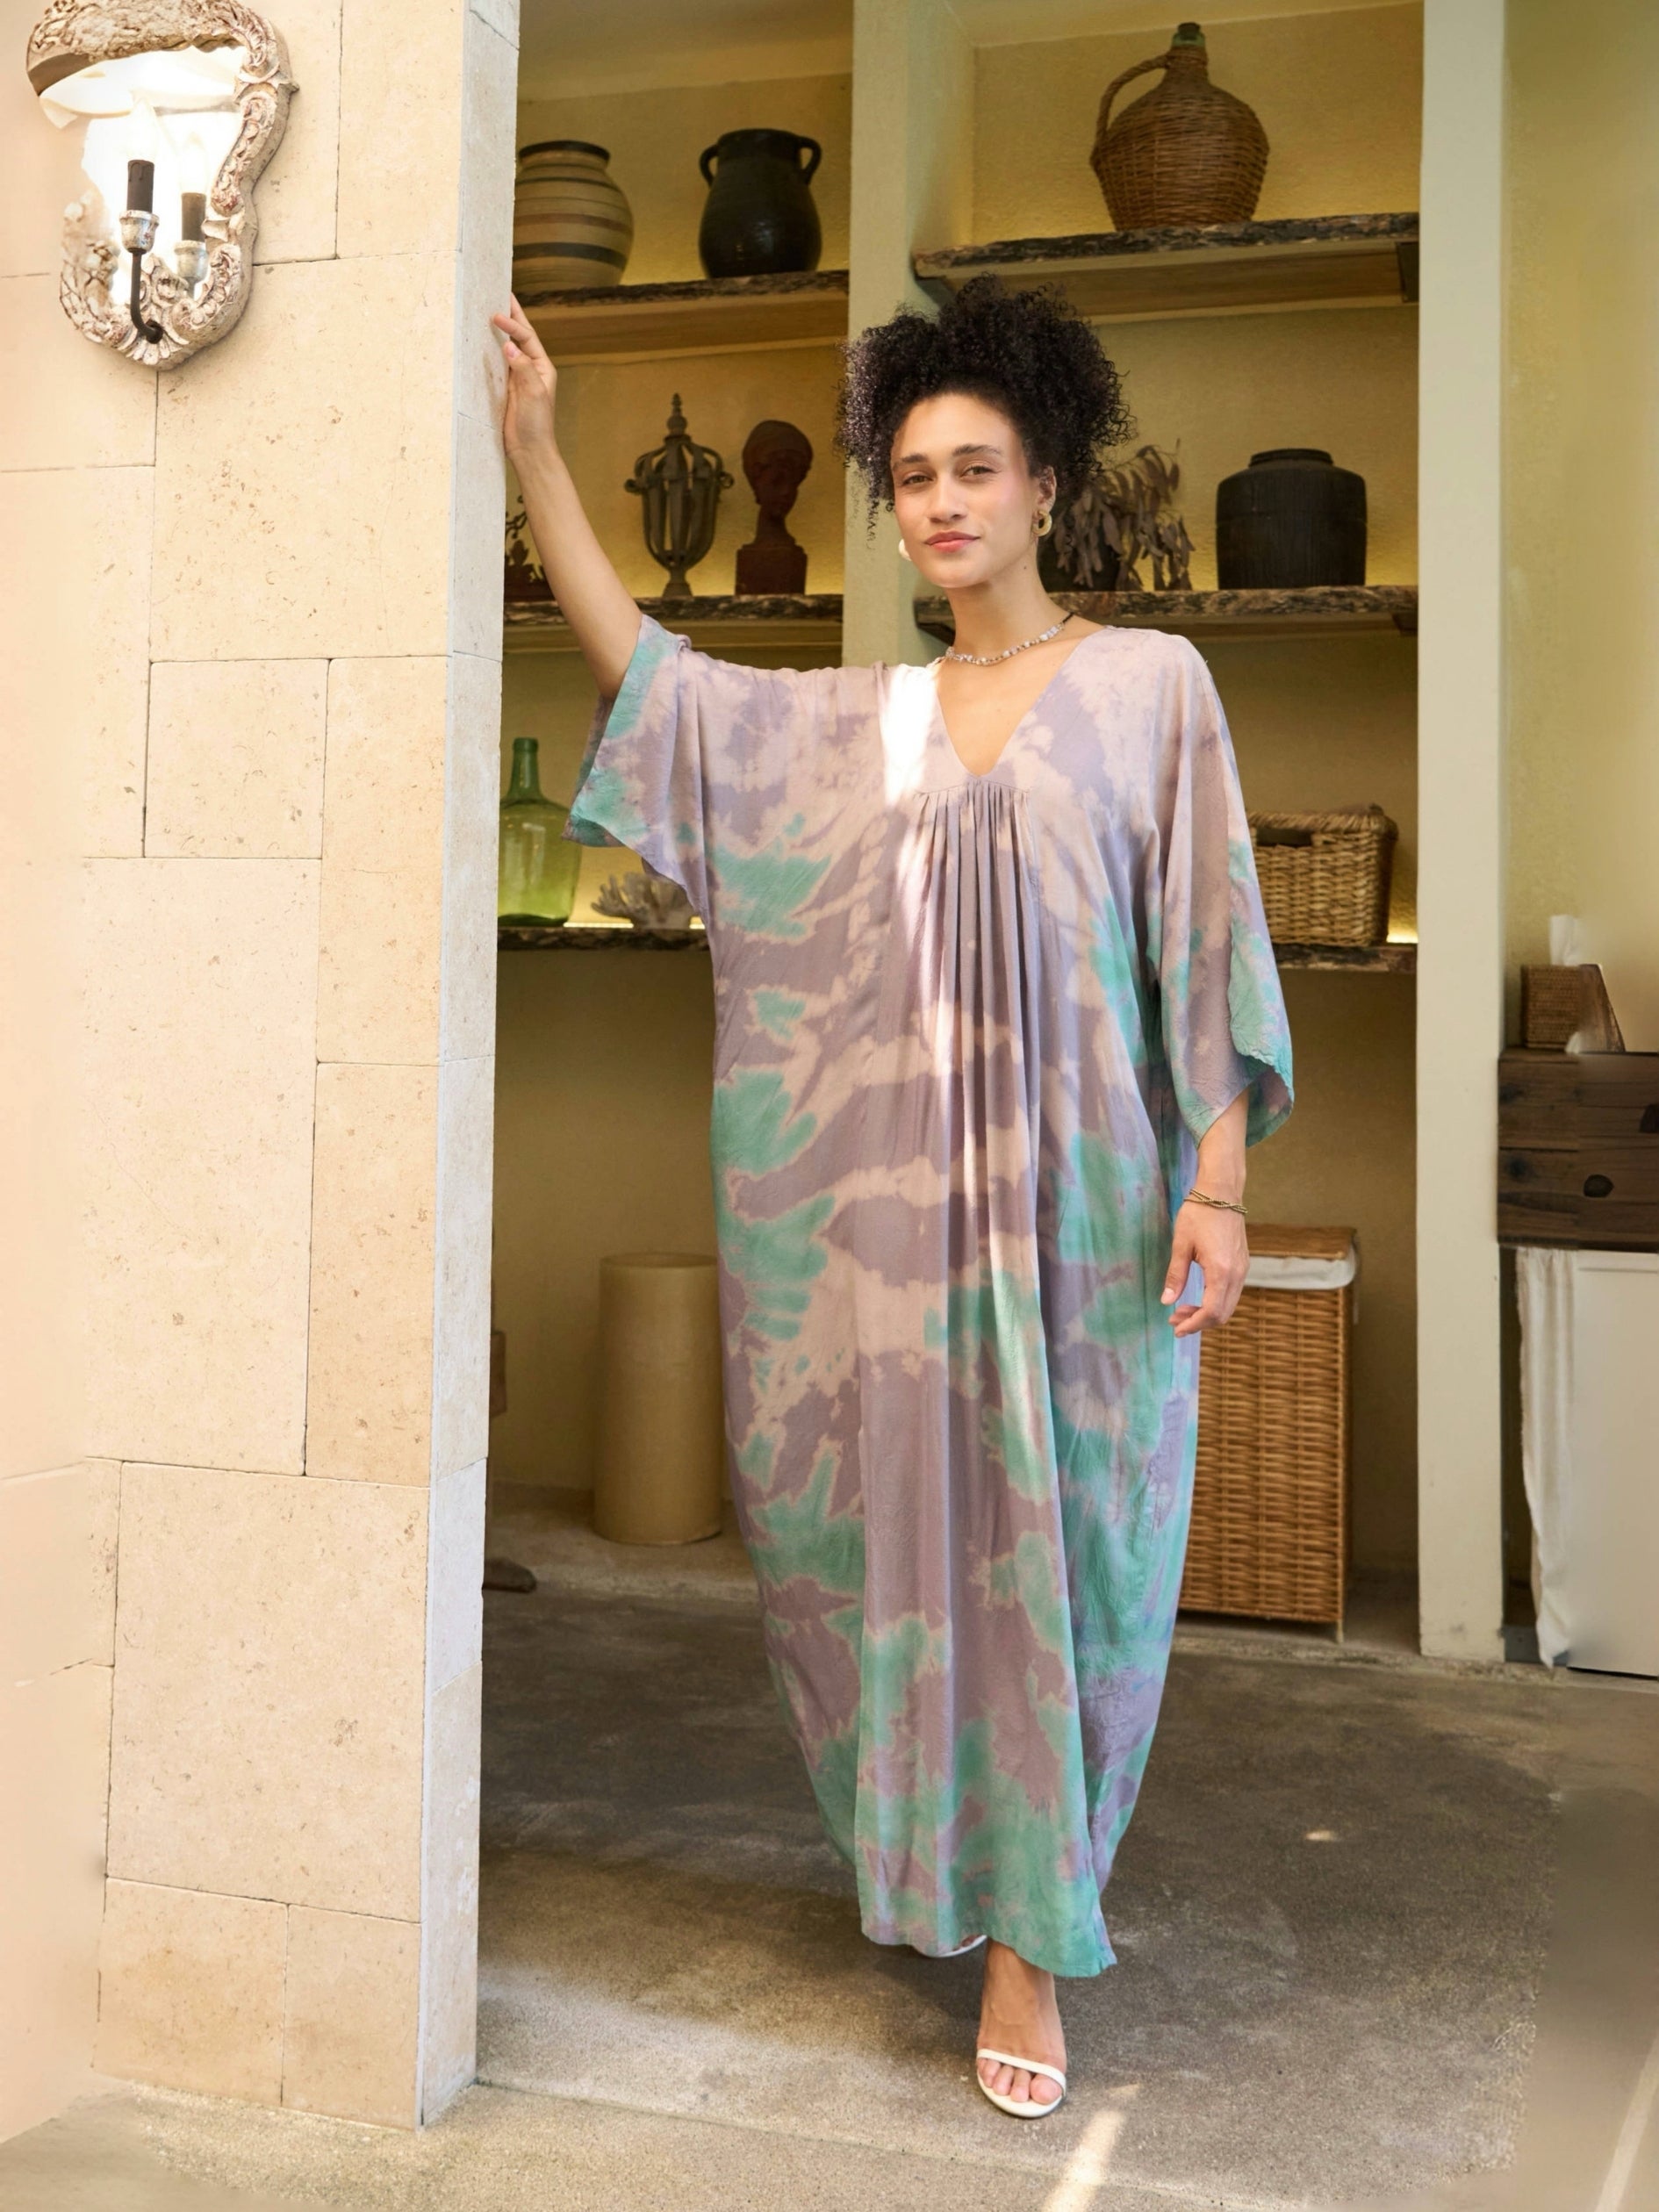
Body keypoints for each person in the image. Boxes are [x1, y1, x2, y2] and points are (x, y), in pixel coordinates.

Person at [492, 276, 1293, 2121]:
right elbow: (664, 693)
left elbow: (1204, 938)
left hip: (1094, 1229)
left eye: (975, 468)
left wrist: (1222, 1180)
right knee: (900, 1563)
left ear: (1044, 484)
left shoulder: (1151, 690)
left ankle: (1036, 1937)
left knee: (1080, 1571)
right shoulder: (860, 722)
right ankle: (958, 1889)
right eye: (914, 473)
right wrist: (538, 456)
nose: (941, 502)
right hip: (891, 1240)